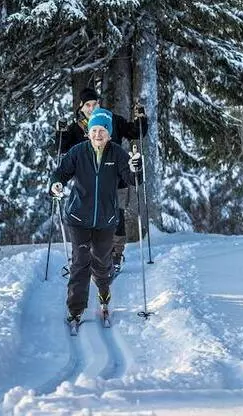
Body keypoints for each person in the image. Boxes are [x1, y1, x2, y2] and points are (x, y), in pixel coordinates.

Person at [50, 108, 142, 325]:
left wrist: (136, 169)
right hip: (78, 217)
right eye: (94, 130)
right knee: (80, 262)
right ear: (88, 132)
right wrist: (56, 185)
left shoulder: (117, 153)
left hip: (106, 219)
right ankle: (75, 309)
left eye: (102, 130)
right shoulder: (78, 152)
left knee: (102, 262)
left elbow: (132, 179)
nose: (98, 134)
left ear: (109, 134)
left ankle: (103, 291)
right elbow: (60, 173)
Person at [55, 88, 148, 271]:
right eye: (87, 105)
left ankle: (116, 255)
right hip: (87, 182)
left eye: (95, 104)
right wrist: (61, 133)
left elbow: (135, 133)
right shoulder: (76, 127)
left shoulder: (113, 120)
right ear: (81, 107)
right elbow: (61, 148)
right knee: (87, 217)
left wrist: (141, 119)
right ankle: (87, 257)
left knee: (116, 215)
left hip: (116, 177)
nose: (91, 108)